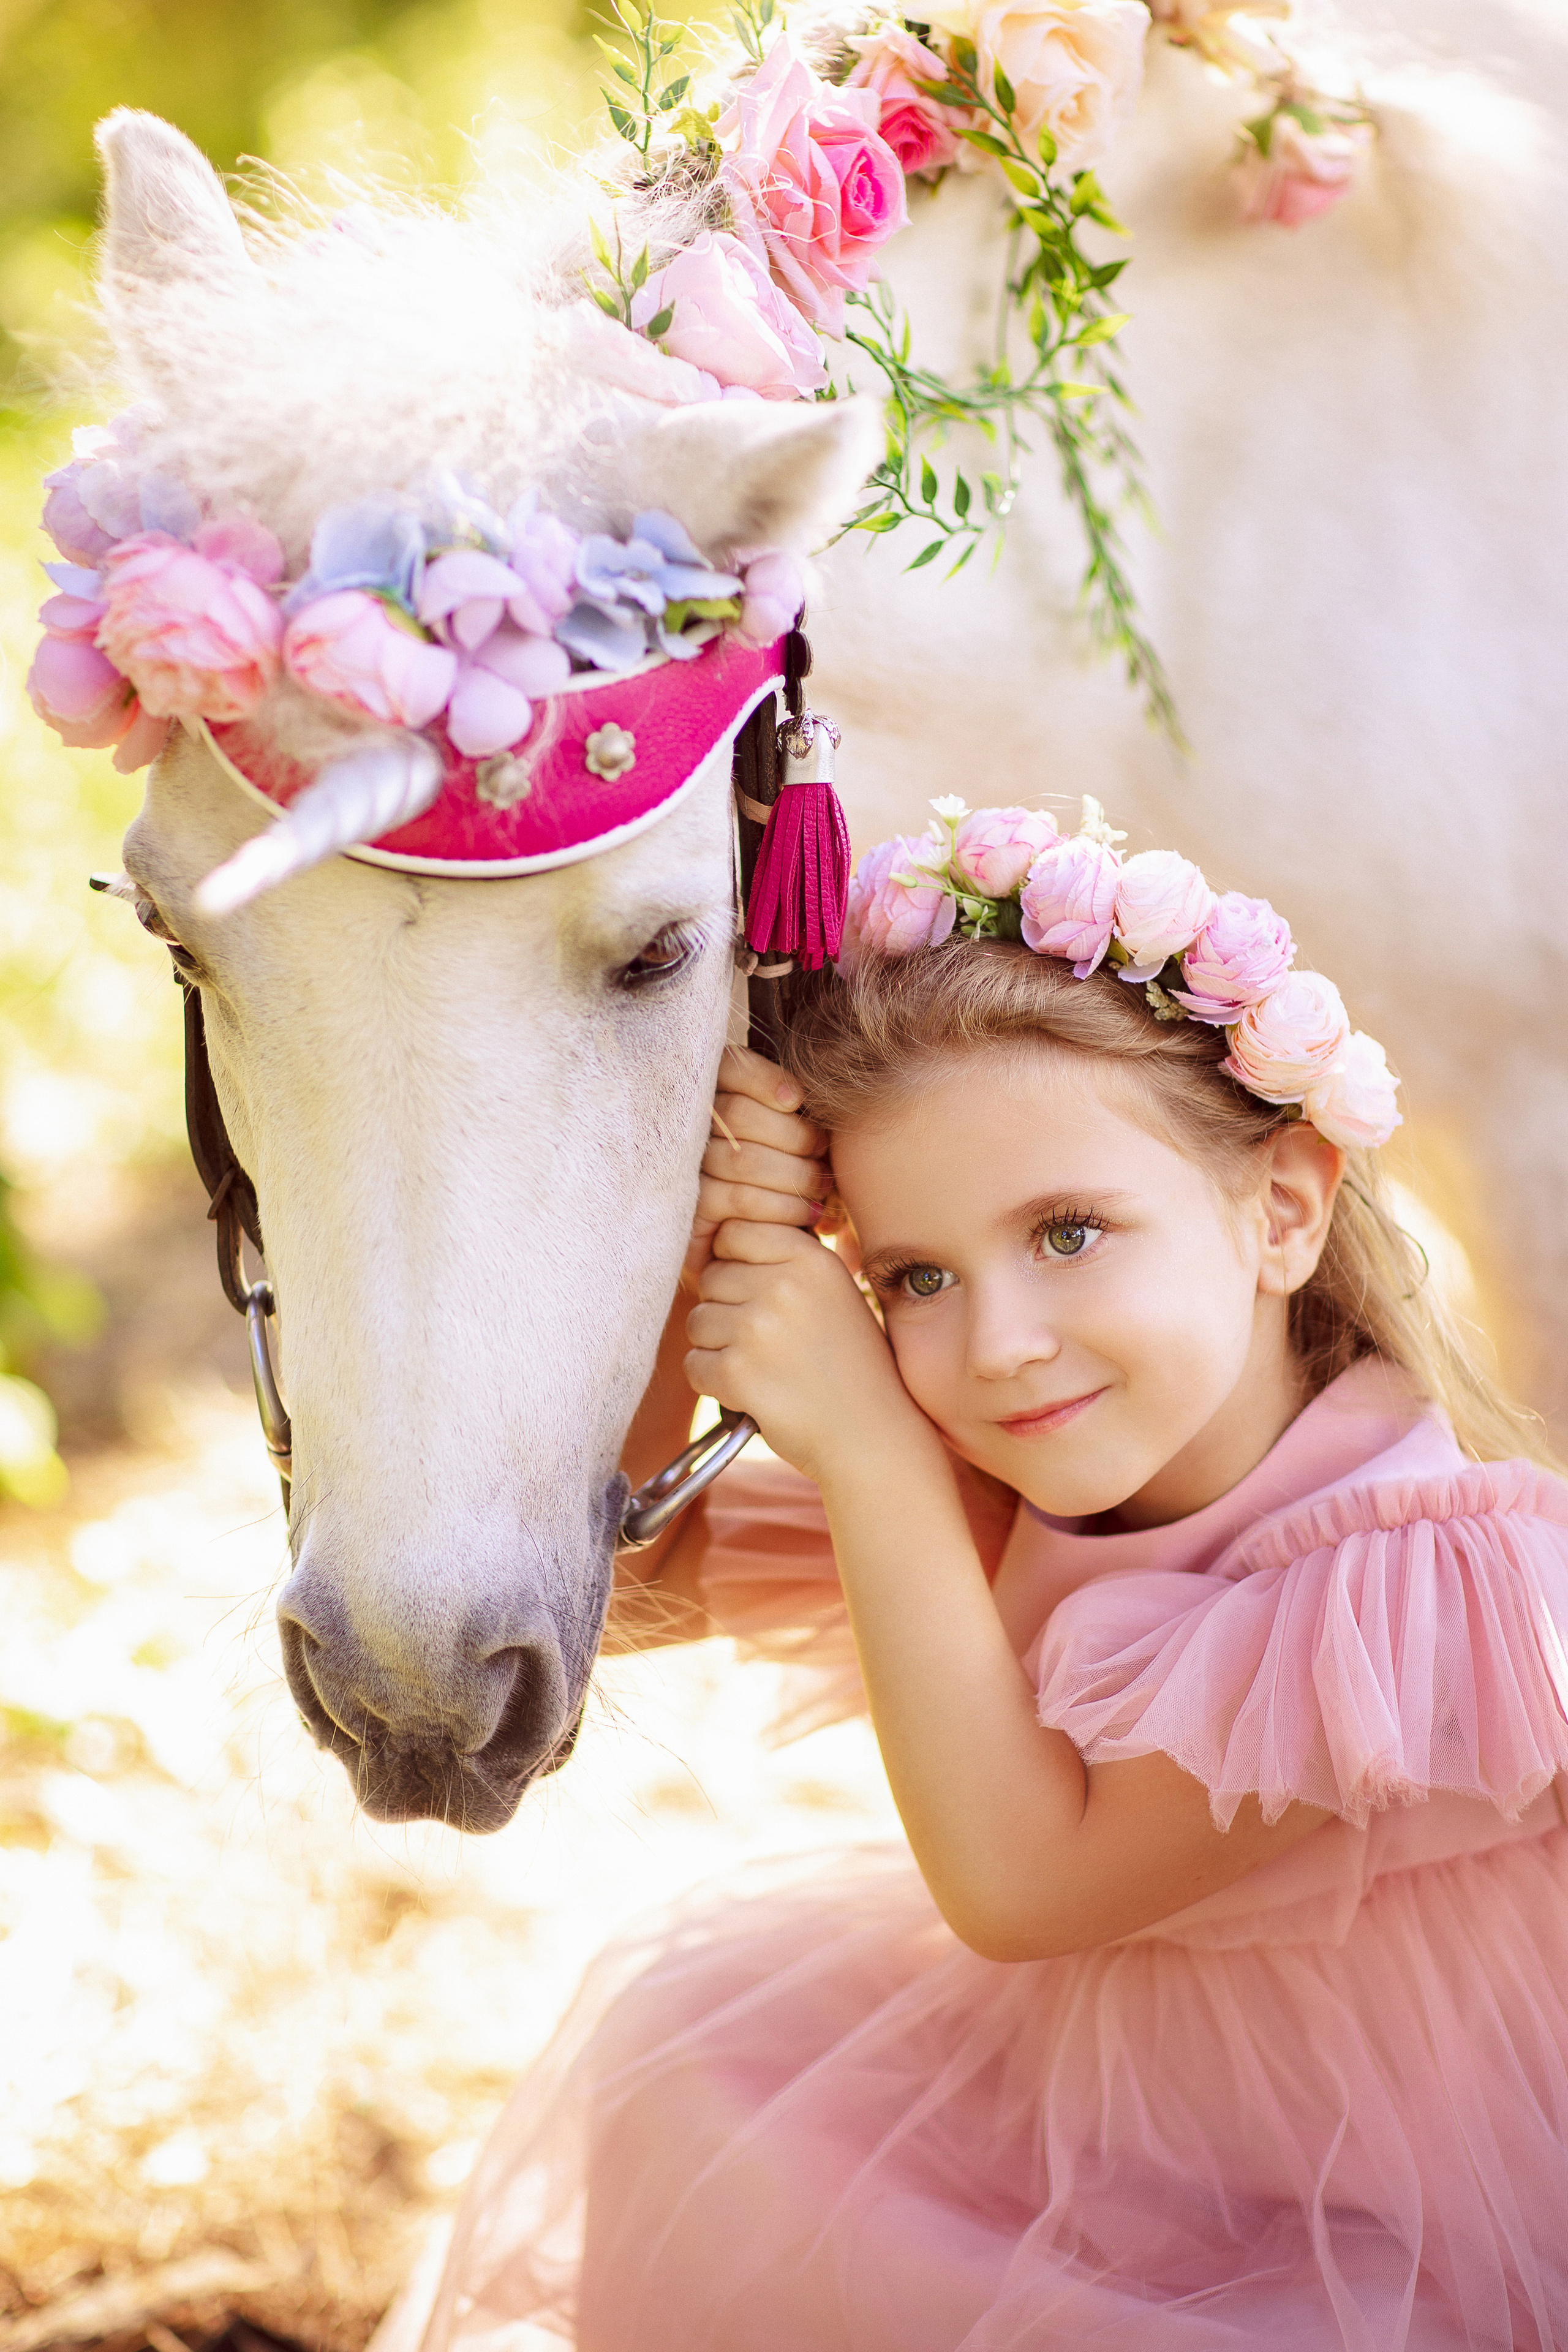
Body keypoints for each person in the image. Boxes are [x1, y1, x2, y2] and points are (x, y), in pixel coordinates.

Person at [413, 799, 1568, 2351]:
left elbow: (1025, 1892)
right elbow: (642, 1579)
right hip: (1108, 2134)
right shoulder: (1003, 1477)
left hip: (1388, 2221)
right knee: (697, 2079)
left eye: (1071, 1232)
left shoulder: (1427, 1574)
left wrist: (875, 1454)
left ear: (1279, 1207)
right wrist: (709, 1251)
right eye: (915, 1279)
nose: (998, 1342)